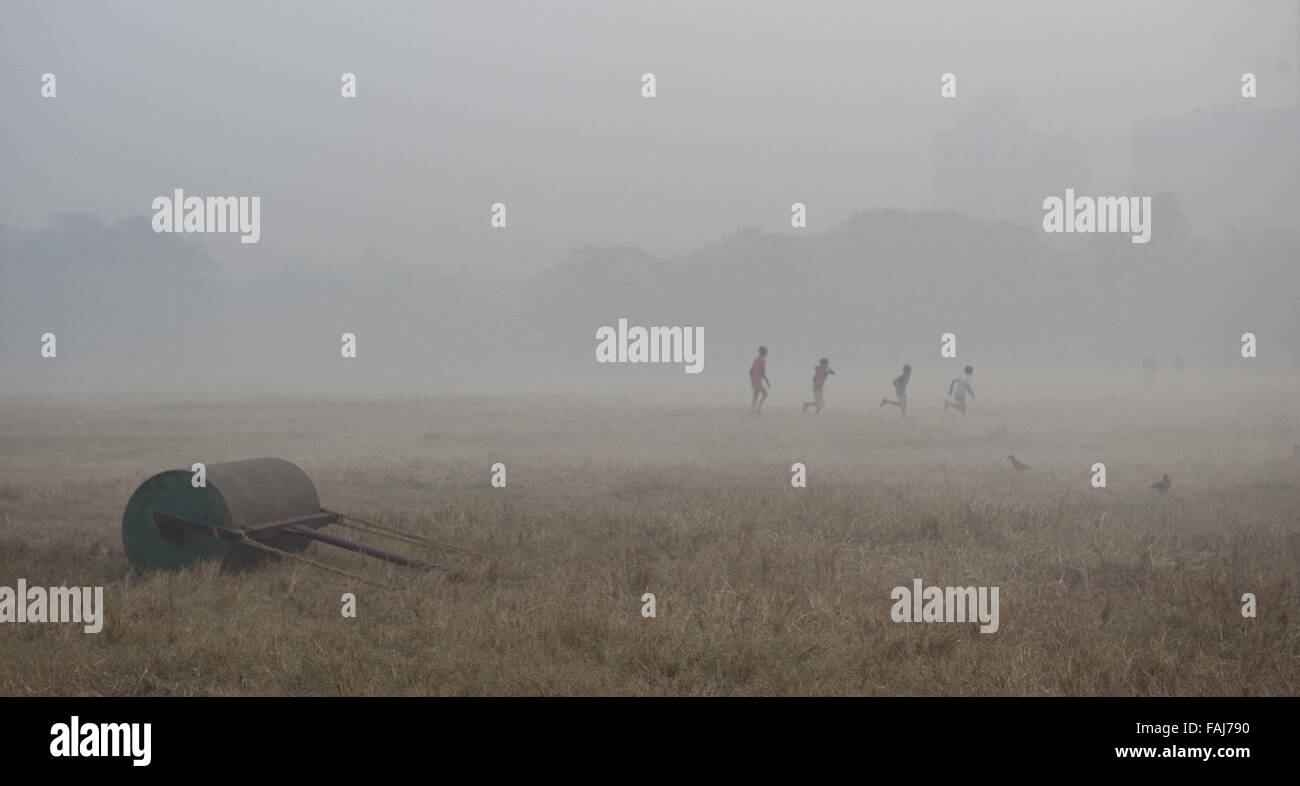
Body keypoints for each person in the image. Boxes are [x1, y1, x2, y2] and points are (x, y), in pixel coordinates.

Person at [749, 346, 770, 414]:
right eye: (766, 352)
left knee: (755, 395)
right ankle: (758, 409)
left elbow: (751, 371)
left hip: (754, 380)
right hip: (758, 381)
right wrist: (767, 382)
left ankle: (752, 410)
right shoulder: (762, 361)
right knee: (765, 393)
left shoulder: (755, 360)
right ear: (763, 353)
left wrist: (752, 379)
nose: (766, 354)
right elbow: (763, 373)